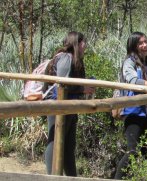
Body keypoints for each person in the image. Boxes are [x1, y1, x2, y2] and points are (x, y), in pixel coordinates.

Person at [114, 32, 147, 179]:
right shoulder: (129, 62)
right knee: (132, 151)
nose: (144, 45)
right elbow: (132, 81)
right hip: (133, 111)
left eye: (146, 42)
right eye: (140, 43)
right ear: (134, 46)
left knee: (146, 151)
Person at [44, 31, 94, 176]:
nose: (85, 46)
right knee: (55, 141)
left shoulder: (76, 60)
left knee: (69, 144)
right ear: (76, 43)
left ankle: (72, 177)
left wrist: (83, 89)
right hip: (58, 106)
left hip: (70, 105)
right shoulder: (65, 57)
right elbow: (62, 84)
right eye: (83, 42)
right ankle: (52, 176)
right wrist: (82, 88)